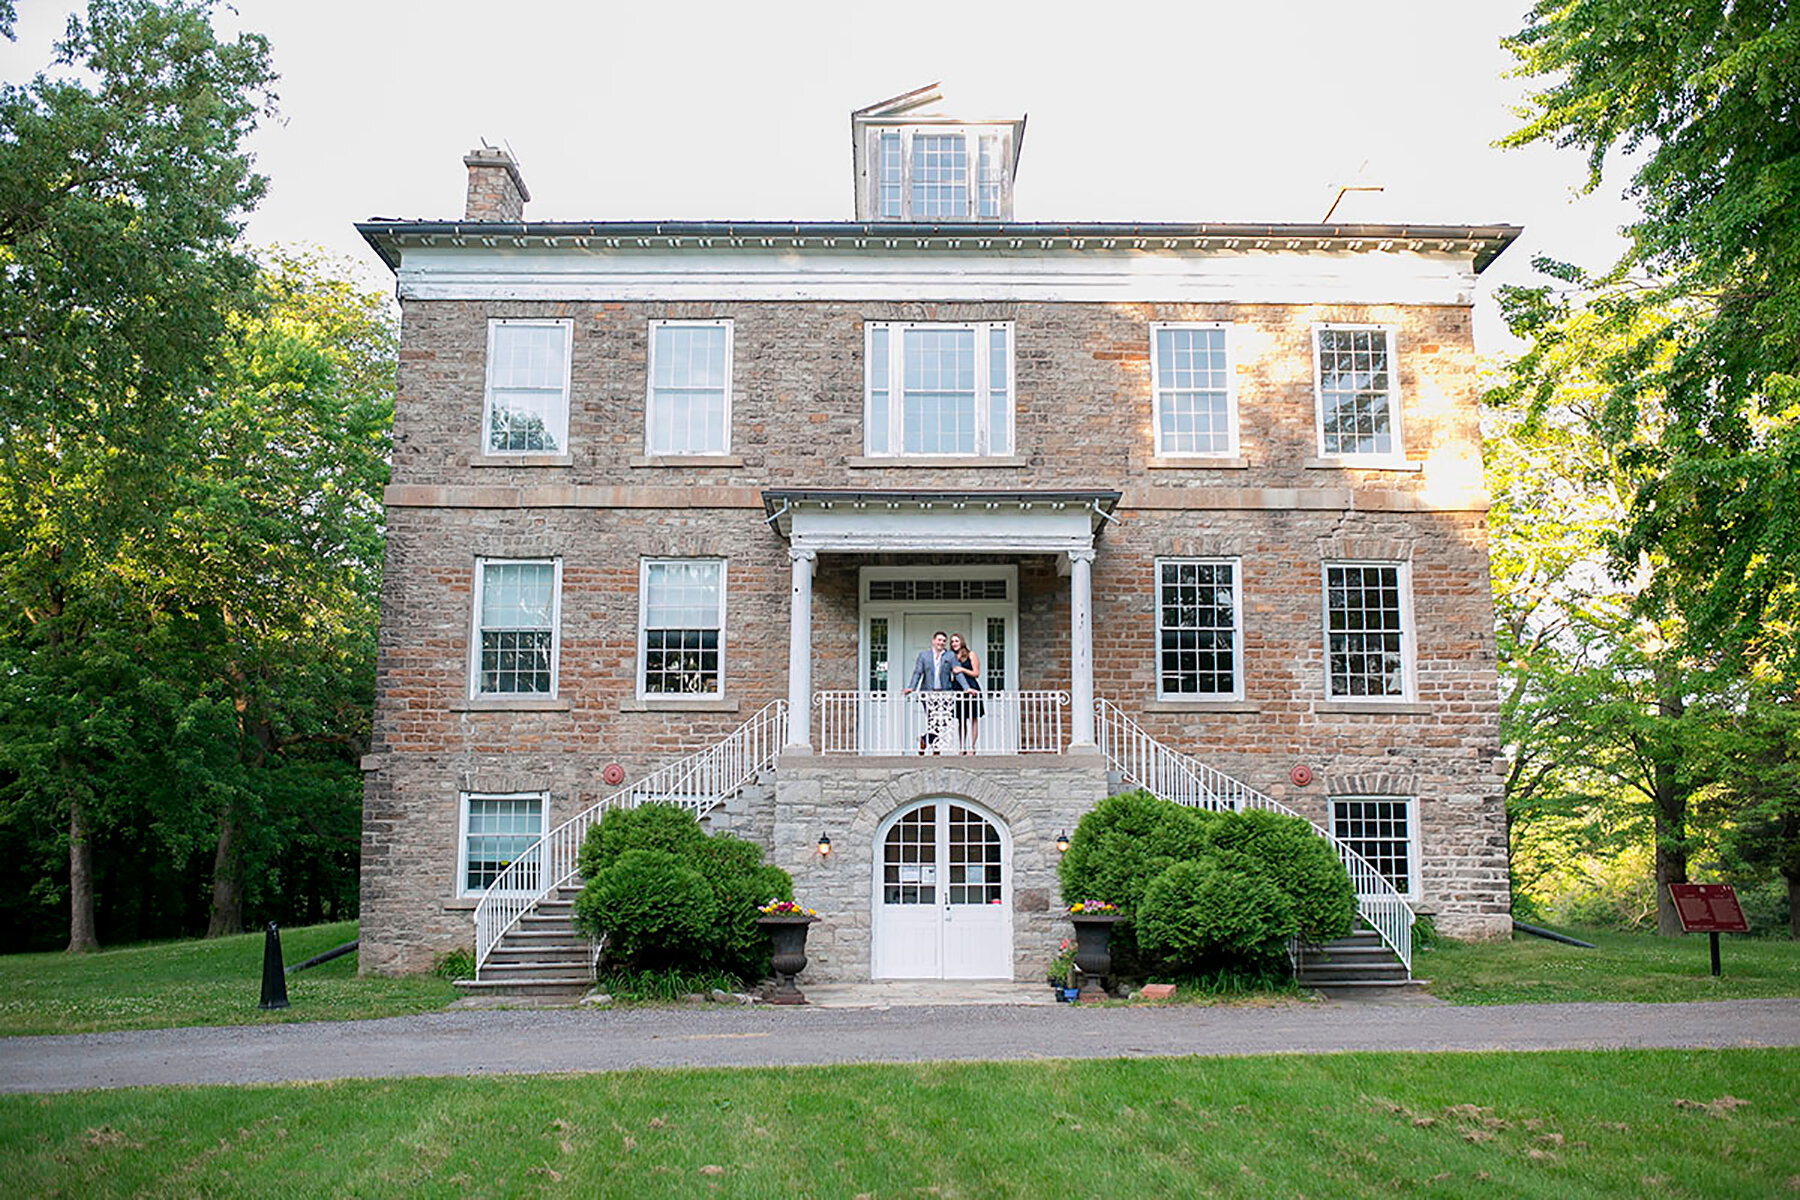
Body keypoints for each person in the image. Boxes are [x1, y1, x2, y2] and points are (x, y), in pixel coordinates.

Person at [902, 630, 957, 754]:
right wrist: (912, 687)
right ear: (933, 641)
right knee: (933, 720)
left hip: (944, 694)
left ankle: (925, 740)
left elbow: (957, 673)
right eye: (939, 640)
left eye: (944, 641)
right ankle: (935, 748)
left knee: (942, 722)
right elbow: (918, 672)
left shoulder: (950, 656)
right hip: (928, 694)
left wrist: (966, 688)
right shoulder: (924, 655)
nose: (941, 643)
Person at [949, 632, 983, 754]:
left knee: (973, 718)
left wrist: (962, 669)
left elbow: (976, 673)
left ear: (961, 642)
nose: (954, 644)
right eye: (952, 642)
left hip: (971, 686)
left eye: (956, 641)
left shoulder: (970, 654)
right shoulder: (951, 656)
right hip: (957, 688)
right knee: (961, 719)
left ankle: (972, 747)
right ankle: (962, 746)